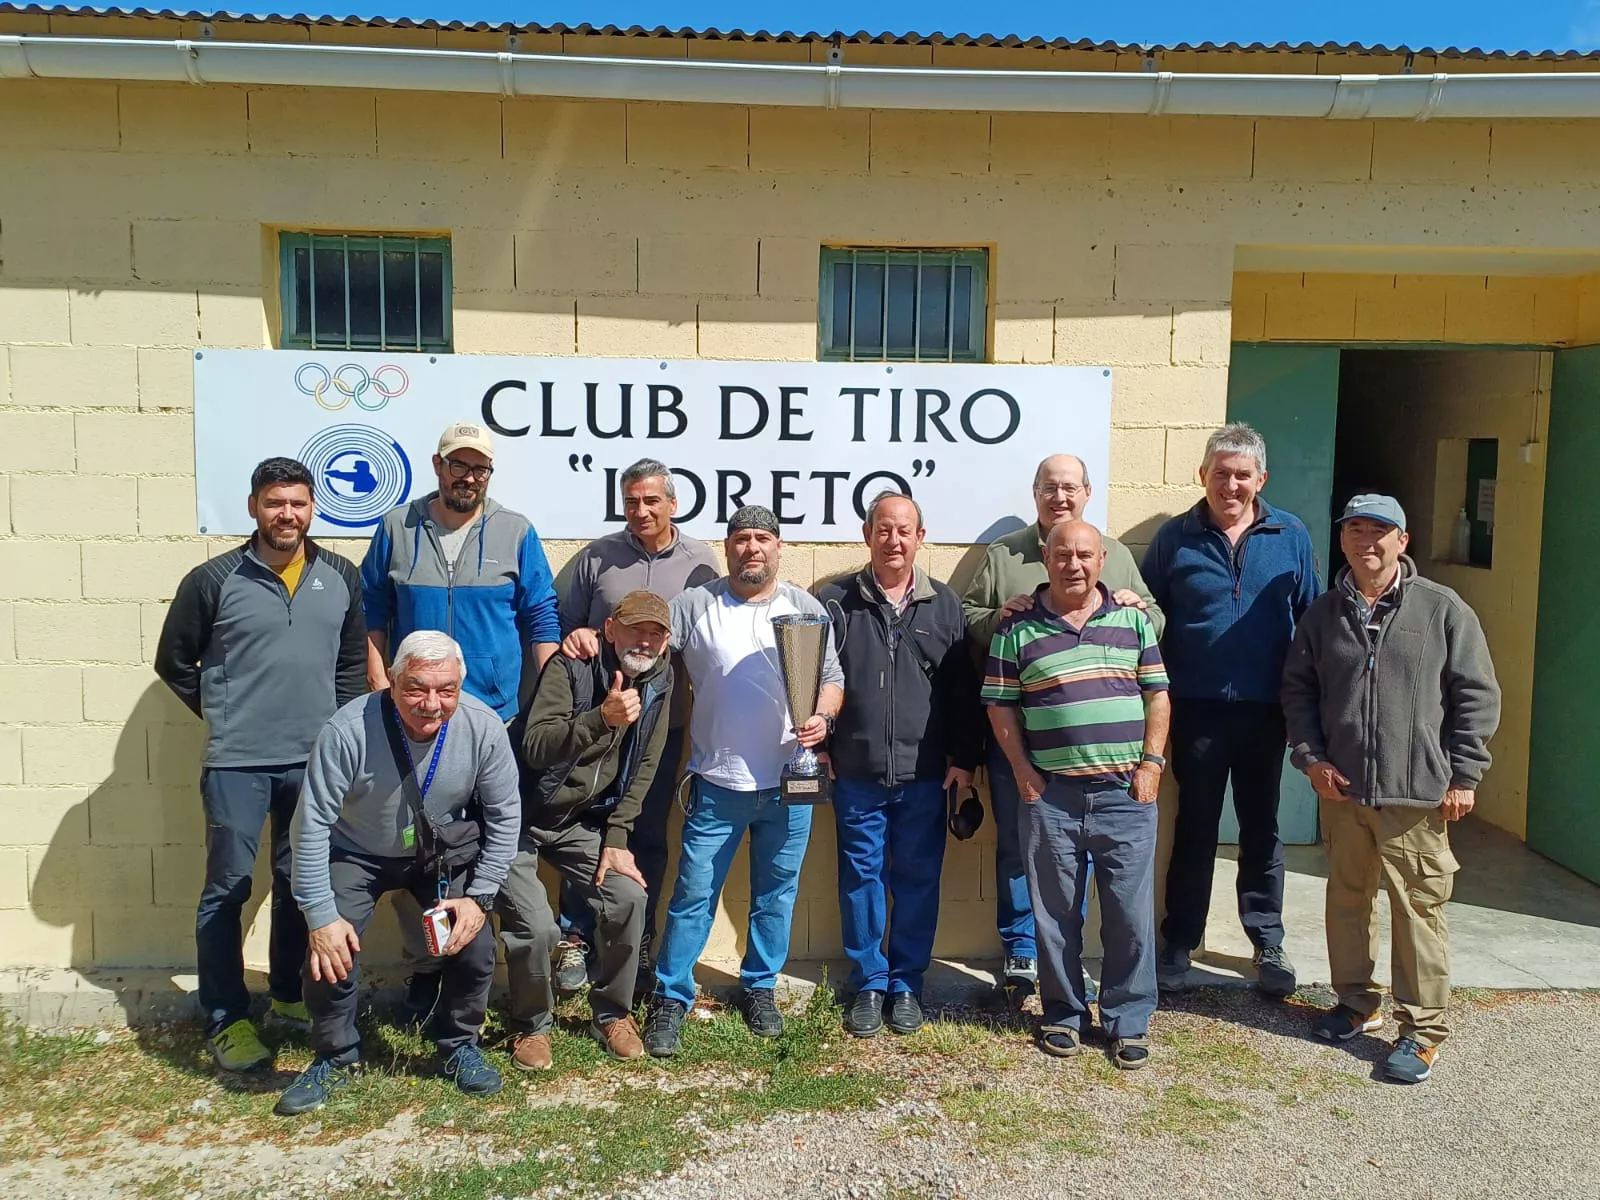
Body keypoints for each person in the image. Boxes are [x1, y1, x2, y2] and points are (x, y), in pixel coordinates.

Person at [154, 457, 366, 1073]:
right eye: (276, 503)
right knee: (229, 887)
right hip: (237, 764)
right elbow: (175, 662)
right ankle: (225, 1015)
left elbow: (350, 669)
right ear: (253, 507)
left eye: (298, 503)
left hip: (315, 766)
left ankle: (289, 995)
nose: (287, 515)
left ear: (312, 508)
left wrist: (341, 740)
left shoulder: (340, 577)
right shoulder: (214, 579)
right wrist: (224, 713)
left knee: (303, 884)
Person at [1282, 495, 1500, 1084]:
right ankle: (1356, 1002)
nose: (1366, 541)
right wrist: (1312, 759)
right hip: (1345, 790)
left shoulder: (1442, 609)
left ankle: (1423, 1030)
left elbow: (1476, 696)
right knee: (1347, 902)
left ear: (1403, 541)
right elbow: (1298, 692)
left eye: (1380, 531)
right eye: (1355, 530)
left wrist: (1464, 773)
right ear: (1344, 541)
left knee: (1418, 911)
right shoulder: (1325, 613)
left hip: (1417, 794)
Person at [360, 421, 560, 1021]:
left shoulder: (515, 530)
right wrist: (379, 687)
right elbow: (372, 612)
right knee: (416, 843)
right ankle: (429, 967)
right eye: (458, 464)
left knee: (496, 842)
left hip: (493, 721)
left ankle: (488, 973)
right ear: (437, 465)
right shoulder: (396, 527)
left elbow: (540, 616)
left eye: (480, 468)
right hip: (414, 718)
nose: (469, 476)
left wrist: (543, 704)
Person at [278, 631, 519, 1115]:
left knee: (474, 944)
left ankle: (458, 1047)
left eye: (446, 689)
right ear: (392, 680)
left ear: (459, 686)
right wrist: (320, 915)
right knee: (330, 949)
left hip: (436, 854)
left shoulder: (484, 726)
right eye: (416, 688)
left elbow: (506, 814)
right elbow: (309, 826)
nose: (432, 704)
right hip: (357, 851)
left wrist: (480, 897)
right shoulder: (346, 731)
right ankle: (336, 1056)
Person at [640, 505, 844, 1056]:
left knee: (776, 895)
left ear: (779, 548)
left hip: (789, 784)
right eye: (741, 538)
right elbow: (650, 647)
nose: (752, 548)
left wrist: (822, 717)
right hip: (717, 782)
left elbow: (830, 678)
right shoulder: (696, 605)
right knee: (692, 895)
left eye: (763, 538)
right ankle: (670, 998)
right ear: (727, 548)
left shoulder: (805, 608)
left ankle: (759, 988)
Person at [962, 453, 1162, 998]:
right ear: (1035, 495)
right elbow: (968, 618)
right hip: (1023, 739)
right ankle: (1023, 954)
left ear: (1087, 494)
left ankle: (1075, 964)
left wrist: (1131, 604)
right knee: (1019, 851)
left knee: (1087, 857)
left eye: (1070, 488)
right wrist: (1005, 612)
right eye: (1050, 488)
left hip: (1106, 760)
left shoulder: (1115, 553)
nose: (1060, 497)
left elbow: (1153, 624)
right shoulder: (1003, 555)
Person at [1141, 423, 1320, 997]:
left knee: (1261, 828)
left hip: (1266, 710)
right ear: (1203, 476)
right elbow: (1149, 621)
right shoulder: (1176, 538)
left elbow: (1312, 618)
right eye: (1221, 473)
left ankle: (1267, 939)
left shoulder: (1290, 534)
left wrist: (1310, 706)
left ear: (1260, 479)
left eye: (1243, 475)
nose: (1231, 484)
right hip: (1195, 708)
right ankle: (1179, 940)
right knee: (1194, 827)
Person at [983, 521, 1170, 1068]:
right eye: (1062, 554)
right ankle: (1062, 1014)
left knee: (1129, 917)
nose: (1073, 564)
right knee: (1054, 915)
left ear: (1102, 558)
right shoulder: (1015, 627)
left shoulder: (1133, 620)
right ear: (1045, 558)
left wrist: (1153, 764)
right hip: (1053, 797)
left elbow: (1157, 695)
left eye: (1084, 554)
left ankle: (1128, 1021)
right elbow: (999, 705)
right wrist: (1023, 773)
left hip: (1125, 794)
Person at [817, 491, 981, 1038]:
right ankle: (869, 982)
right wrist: (818, 747)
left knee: (917, 881)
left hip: (925, 775)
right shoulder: (835, 600)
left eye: (904, 530)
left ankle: (907, 983)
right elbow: (810, 680)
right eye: (883, 530)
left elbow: (963, 692)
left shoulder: (946, 605)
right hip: (856, 772)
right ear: (868, 536)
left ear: (920, 537)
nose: (893, 540)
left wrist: (964, 761)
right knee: (860, 879)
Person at [551, 458, 718, 996]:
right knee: (585, 826)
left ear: (673, 504)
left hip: (661, 727)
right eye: (631, 501)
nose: (641, 511)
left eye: (651, 501)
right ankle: (574, 938)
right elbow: (557, 620)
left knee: (646, 833)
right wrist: (574, 637)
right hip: (595, 724)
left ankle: (637, 944)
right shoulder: (597, 558)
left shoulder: (701, 563)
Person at [498, 591, 674, 1071]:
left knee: (627, 898)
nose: (645, 640)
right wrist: (601, 719)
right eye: (635, 629)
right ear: (610, 628)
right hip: (517, 817)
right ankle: (531, 1026)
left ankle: (612, 1014)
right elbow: (535, 747)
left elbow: (646, 767)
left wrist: (616, 839)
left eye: (656, 633)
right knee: (535, 926)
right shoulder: (572, 665)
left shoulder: (660, 678)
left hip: (577, 820)